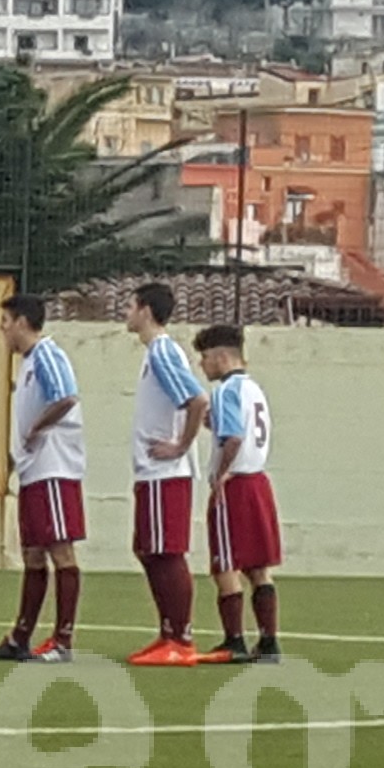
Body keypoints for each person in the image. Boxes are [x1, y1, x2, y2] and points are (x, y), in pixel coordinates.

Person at [117, 281, 221, 667]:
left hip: (166, 472)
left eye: (130, 305)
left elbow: (196, 399)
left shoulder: (162, 351)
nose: (126, 313)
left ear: (145, 310)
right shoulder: (155, 353)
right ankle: (168, 632)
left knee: (166, 550)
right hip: (152, 471)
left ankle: (182, 637)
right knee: (147, 548)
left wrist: (179, 446)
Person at [0, 293, 86, 663]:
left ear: (24, 323)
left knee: (60, 550)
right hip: (34, 470)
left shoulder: (47, 355)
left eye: (6, 322)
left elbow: (65, 397)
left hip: (54, 468)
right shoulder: (28, 363)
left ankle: (63, 640)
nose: (3, 331)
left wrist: (34, 430)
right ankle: (20, 636)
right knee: (32, 553)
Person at [192, 324, 284, 663]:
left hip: (235, 485)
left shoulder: (225, 390)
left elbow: (233, 436)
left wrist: (221, 473)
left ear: (221, 356)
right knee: (259, 567)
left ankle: (234, 640)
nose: (202, 366)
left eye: (205, 358)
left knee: (225, 565)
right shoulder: (254, 389)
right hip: (259, 480)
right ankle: (269, 641)